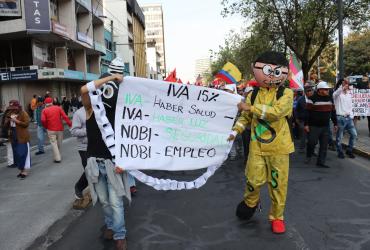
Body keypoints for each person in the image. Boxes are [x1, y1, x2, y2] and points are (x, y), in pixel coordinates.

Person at [228, 51, 294, 234]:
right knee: (253, 179)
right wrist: (235, 131)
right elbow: (245, 118)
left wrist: (250, 107)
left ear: (285, 73)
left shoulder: (286, 93)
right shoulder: (253, 94)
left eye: (276, 71)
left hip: (279, 148)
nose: (271, 75)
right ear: (255, 70)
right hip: (257, 147)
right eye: (267, 70)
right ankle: (250, 202)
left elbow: (277, 112)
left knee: (278, 184)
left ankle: (277, 217)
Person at [81, 57, 130, 250]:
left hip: (112, 162)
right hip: (94, 161)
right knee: (104, 201)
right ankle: (110, 226)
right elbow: (84, 89)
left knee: (116, 201)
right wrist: (109, 78)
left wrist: (124, 161)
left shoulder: (119, 111)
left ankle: (120, 235)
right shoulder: (90, 108)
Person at [304, 81, 338, 168]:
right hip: (313, 126)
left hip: (325, 126)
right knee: (312, 142)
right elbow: (307, 113)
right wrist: (306, 125)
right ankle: (309, 155)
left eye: (328, 89)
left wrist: (335, 123)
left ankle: (321, 162)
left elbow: (333, 112)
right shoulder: (312, 98)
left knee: (324, 145)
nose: (327, 91)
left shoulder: (330, 99)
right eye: (326, 89)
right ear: (320, 90)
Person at [4, 100, 31, 179]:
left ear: (18, 107)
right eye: (11, 108)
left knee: (23, 154)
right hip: (13, 136)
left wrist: (17, 121)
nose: (12, 109)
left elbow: (26, 124)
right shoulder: (9, 113)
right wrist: (9, 120)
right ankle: (21, 170)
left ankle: (25, 171)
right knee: (17, 155)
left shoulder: (23, 113)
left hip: (22, 136)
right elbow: (5, 125)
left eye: (14, 108)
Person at [70, 106, 91, 209]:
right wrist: (89, 130)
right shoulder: (79, 113)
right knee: (89, 169)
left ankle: (97, 192)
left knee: (99, 169)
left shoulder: (100, 108)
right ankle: (79, 186)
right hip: (84, 147)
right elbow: (73, 131)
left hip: (99, 146)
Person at [41, 97, 72, 163]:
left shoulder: (44, 110)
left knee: (54, 143)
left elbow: (43, 120)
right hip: (60, 128)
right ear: (52, 102)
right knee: (59, 143)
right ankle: (58, 155)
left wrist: (46, 126)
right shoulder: (58, 108)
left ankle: (57, 158)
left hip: (50, 129)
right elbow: (65, 116)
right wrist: (70, 124)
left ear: (45, 103)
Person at [333, 79, 357, 159]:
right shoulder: (337, 94)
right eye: (344, 83)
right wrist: (341, 87)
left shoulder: (349, 94)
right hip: (340, 117)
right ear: (341, 85)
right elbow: (335, 94)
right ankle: (340, 151)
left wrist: (351, 116)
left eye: (347, 83)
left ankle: (349, 150)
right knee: (340, 137)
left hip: (349, 118)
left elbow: (351, 106)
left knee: (354, 135)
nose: (347, 85)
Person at [295, 83, 314, 153]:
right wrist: (296, 118)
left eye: (311, 91)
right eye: (309, 91)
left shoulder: (313, 99)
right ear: (306, 92)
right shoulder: (300, 99)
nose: (311, 92)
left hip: (311, 120)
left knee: (312, 135)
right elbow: (296, 109)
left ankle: (312, 149)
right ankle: (302, 148)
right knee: (304, 133)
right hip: (302, 120)